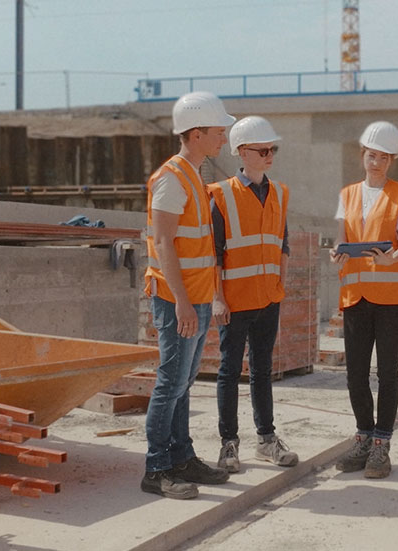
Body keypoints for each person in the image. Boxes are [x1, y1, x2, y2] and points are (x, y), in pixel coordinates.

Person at [141, 91, 234, 500]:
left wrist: (203, 298)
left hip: (194, 297)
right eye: (219, 131)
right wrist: (181, 302)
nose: (224, 139)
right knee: (170, 383)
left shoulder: (193, 176)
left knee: (183, 384)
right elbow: (163, 242)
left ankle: (182, 456)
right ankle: (157, 468)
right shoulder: (171, 178)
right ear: (196, 134)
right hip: (176, 299)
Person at [207, 116, 300, 473]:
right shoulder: (222, 194)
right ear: (243, 152)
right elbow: (213, 252)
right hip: (233, 300)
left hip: (267, 299)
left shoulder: (279, 193)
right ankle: (229, 444)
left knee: (262, 370)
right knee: (230, 371)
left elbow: (283, 243)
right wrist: (218, 297)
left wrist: (281, 286)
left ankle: (267, 440)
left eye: (272, 149)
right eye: (263, 150)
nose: (269, 155)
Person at [330, 121, 398, 479]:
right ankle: (363, 436)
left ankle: (382, 444)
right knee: (355, 374)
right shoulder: (348, 194)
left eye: (384, 157)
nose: (377, 162)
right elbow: (341, 239)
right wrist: (336, 253)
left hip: (393, 297)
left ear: (391, 160)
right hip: (356, 295)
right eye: (372, 155)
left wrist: (391, 258)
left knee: (386, 372)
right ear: (362, 155)